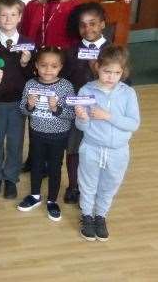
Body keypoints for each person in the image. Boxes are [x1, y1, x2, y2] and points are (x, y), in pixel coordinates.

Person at [20, 0, 79, 173]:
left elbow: (76, 43)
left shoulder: (74, 7)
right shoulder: (33, 5)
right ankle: (33, 159)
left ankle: (50, 161)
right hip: (36, 69)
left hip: (61, 71)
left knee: (55, 115)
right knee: (35, 112)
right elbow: (25, 36)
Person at [75, 46, 140, 242]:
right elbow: (81, 126)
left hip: (118, 151)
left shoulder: (128, 93)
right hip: (91, 147)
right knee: (87, 184)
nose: (111, 77)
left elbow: (133, 124)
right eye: (107, 71)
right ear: (97, 67)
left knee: (110, 185)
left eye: (117, 73)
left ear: (123, 72)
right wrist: (82, 117)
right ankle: (87, 215)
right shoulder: (86, 90)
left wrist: (108, 116)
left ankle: (100, 216)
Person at [0, 0, 33, 199]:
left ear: (20, 17)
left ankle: (11, 177)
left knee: (15, 141)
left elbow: (32, 77)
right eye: (3, 15)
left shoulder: (28, 45)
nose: (8, 19)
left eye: (13, 15)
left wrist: (24, 63)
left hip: (18, 103)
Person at [62, 2, 112, 204]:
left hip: (102, 114)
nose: (88, 29)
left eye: (92, 24)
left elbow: (125, 83)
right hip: (78, 112)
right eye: (83, 25)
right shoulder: (72, 52)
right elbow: (64, 79)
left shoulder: (113, 52)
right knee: (74, 149)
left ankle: (92, 188)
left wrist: (97, 71)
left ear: (102, 24)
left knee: (96, 152)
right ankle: (73, 186)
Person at [17, 47, 75, 221]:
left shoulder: (65, 86)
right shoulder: (31, 84)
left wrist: (56, 108)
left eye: (53, 66)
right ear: (36, 65)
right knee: (36, 164)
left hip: (58, 135)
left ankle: (52, 200)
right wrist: (29, 105)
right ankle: (35, 196)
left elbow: (72, 113)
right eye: (43, 65)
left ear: (60, 67)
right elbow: (22, 110)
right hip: (37, 133)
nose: (48, 70)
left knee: (55, 167)